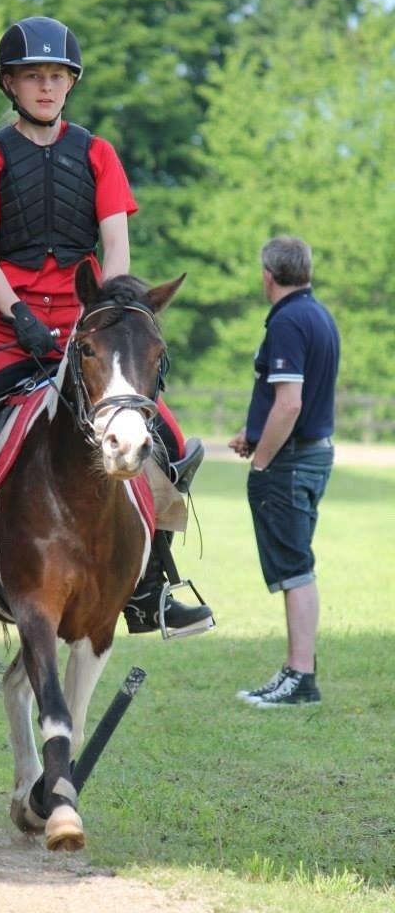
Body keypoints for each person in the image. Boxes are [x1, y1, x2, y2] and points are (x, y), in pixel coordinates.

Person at [0, 16, 213, 636]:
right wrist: (18, 315)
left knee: (164, 435)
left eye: (56, 76)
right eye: (32, 76)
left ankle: (154, 586)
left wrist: (107, 312)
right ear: (9, 84)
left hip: (85, 324)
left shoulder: (97, 153)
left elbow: (116, 243)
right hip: (4, 325)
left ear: (71, 84)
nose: (45, 87)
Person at [229, 236, 339, 706]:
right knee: (296, 565)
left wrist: (262, 460)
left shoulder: (289, 321)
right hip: (310, 453)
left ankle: (301, 676)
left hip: (291, 461)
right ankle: (297, 671)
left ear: (268, 276)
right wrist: (254, 432)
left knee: (295, 569)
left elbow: (290, 405)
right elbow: (295, 400)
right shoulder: (317, 315)